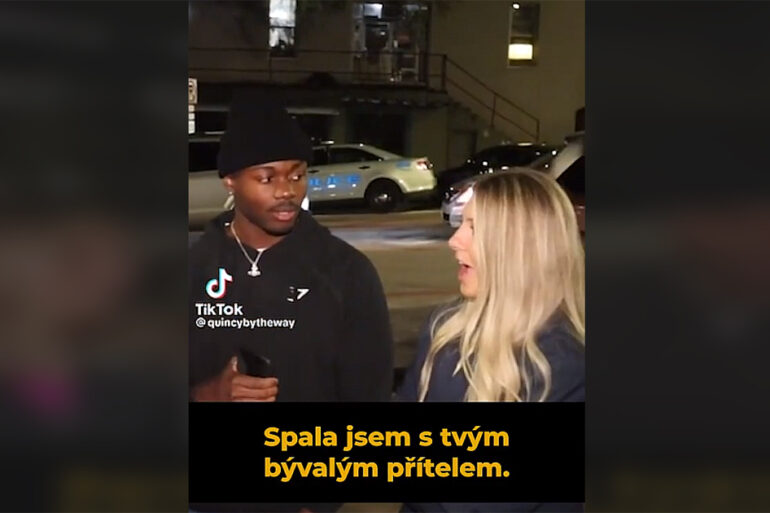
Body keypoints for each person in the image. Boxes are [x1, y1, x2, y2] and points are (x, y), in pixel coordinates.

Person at [398, 170, 585, 512]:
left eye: (474, 227)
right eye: (462, 223)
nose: (455, 241)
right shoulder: (446, 326)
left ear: (520, 248)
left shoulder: (565, 362)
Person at [189, 91, 393, 403]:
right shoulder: (190, 270)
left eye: (297, 175)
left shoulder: (347, 272)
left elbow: (370, 389)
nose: (287, 191)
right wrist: (207, 394)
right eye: (267, 179)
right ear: (230, 181)